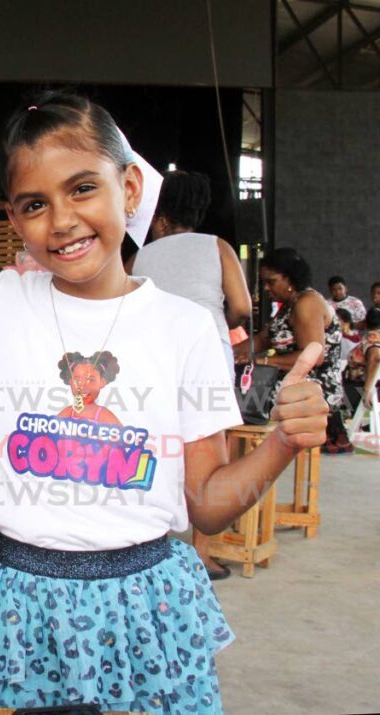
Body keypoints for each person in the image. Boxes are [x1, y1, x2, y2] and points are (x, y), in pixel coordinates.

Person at [0, 91, 327, 713]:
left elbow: (209, 506)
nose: (61, 220)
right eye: (35, 204)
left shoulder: (184, 328)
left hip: (147, 610)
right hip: (14, 615)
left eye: (83, 188)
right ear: (14, 218)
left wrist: (283, 442)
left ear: (130, 188)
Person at [129, 169, 253, 581]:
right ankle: (202, 553)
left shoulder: (143, 254)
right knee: (208, 449)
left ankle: (154, 541)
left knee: (155, 444)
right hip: (208, 352)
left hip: (151, 355)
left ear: (160, 214)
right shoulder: (216, 246)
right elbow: (242, 307)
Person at [130, 169, 252, 376]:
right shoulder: (219, 246)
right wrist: (215, 322)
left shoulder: (136, 259)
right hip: (209, 346)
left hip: (154, 352)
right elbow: (242, 308)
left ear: (161, 220)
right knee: (211, 406)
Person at [237, 249, 351, 453]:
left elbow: (313, 357)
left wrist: (261, 362)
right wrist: (225, 352)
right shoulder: (289, 304)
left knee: (231, 399)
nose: (266, 288)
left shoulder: (307, 303)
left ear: (289, 279)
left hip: (313, 388)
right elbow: (262, 339)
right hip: (289, 382)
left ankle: (235, 461)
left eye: (271, 282)